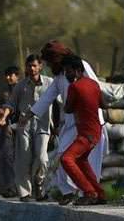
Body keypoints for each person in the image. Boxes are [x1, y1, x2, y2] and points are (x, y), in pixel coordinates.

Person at [21, 40, 108, 205]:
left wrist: (97, 113)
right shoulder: (61, 75)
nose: (49, 65)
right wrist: (29, 114)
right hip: (72, 122)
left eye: (50, 61)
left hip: (90, 121)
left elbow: (95, 88)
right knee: (63, 155)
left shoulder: (80, 66)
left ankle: (91, 194)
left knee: (88, 160)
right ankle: (68, 191)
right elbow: (48, 97)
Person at [0, 54, 53, 201]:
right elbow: (10, 104)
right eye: (29, 66)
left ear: (40, 66)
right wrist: (4, 117)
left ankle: (40, 184)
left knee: (42, 158)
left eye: (34, 65)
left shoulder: (50, 83)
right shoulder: (21, 86)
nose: (32, 68)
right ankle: (25, 193)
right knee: (23, 160)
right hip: (24, 127)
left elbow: (60, 102)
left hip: (43, 127)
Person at [60, 55, 105, 205]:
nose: (66, 74)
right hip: (96, 131)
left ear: (78, 70)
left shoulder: (74, 87)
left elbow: (67, 109)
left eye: (69, 71)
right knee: (81, 160)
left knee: (66, 159)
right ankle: (100, 193)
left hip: (86, 134)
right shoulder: (94, 84)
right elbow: (103, 104)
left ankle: (89, 192)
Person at [0, 66, 19, 197]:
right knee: (5, 158)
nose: (8, 78)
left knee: (14, 159)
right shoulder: (6, 92)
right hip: (7, 129)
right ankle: (8, 187)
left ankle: (15, 188)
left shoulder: (22, 89)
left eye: (11, 75)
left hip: (19, 127)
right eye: (7, 75)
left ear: (17, 76)